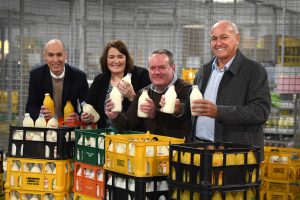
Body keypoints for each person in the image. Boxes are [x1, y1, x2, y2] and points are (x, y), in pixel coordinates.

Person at [189, 20, 271, 160]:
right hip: (201, 150)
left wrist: (219, 112)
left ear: (237, 39)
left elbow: (260, 111)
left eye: (224, 37)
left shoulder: (254, 71)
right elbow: (196, 107)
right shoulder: (204, 70)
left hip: (236, 155)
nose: (218, 43)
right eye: (214, 38)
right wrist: (179, 109)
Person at [105, 49, 192, 138]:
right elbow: (127, 124)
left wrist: (156, 114)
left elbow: (183, 121)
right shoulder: (144, 93)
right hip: (152, 148)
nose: (157, 72)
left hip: (179, 149)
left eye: (162, 67)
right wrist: (115, 116)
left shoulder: (187, 89)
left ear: (173, 68)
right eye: (152, 68)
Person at [81, 39, 151, 129]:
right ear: (105, 59)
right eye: (111, 57)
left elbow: (148, 111)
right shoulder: (99, 80)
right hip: (104, 136)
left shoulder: (141, 75)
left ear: (126, 58)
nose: (116, 61)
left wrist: (132, 96)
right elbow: (88, 106)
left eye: (120, 56)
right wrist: (84, 117)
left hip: (133, 137)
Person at [26, 39, 89, 122]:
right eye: (51, 55)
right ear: (45, 56)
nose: (55, 60)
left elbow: (86, 105)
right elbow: (31, 107)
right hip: (45, 126)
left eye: (59, 55)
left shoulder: (79, 76)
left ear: (66, 55)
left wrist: (80, 117)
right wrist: (40, 114)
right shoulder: (36, 75)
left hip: (69, 127)